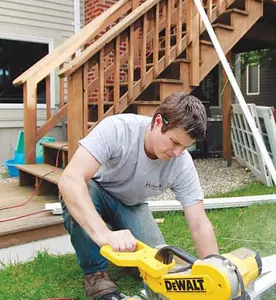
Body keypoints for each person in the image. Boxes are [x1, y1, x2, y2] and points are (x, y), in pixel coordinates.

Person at [58, 92, 219, 300]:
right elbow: (70, 179)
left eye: (185, 147)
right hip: (97, 191)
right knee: (80, 188)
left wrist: (216, 270)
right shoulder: (118, 129)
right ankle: (96, 274)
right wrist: (103, 235)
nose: (177, 152)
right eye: (174, 142)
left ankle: (128, 257)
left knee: (159, 266)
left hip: (132, 205)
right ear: (158, 121)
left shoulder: (182, 163)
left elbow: (199, 223)